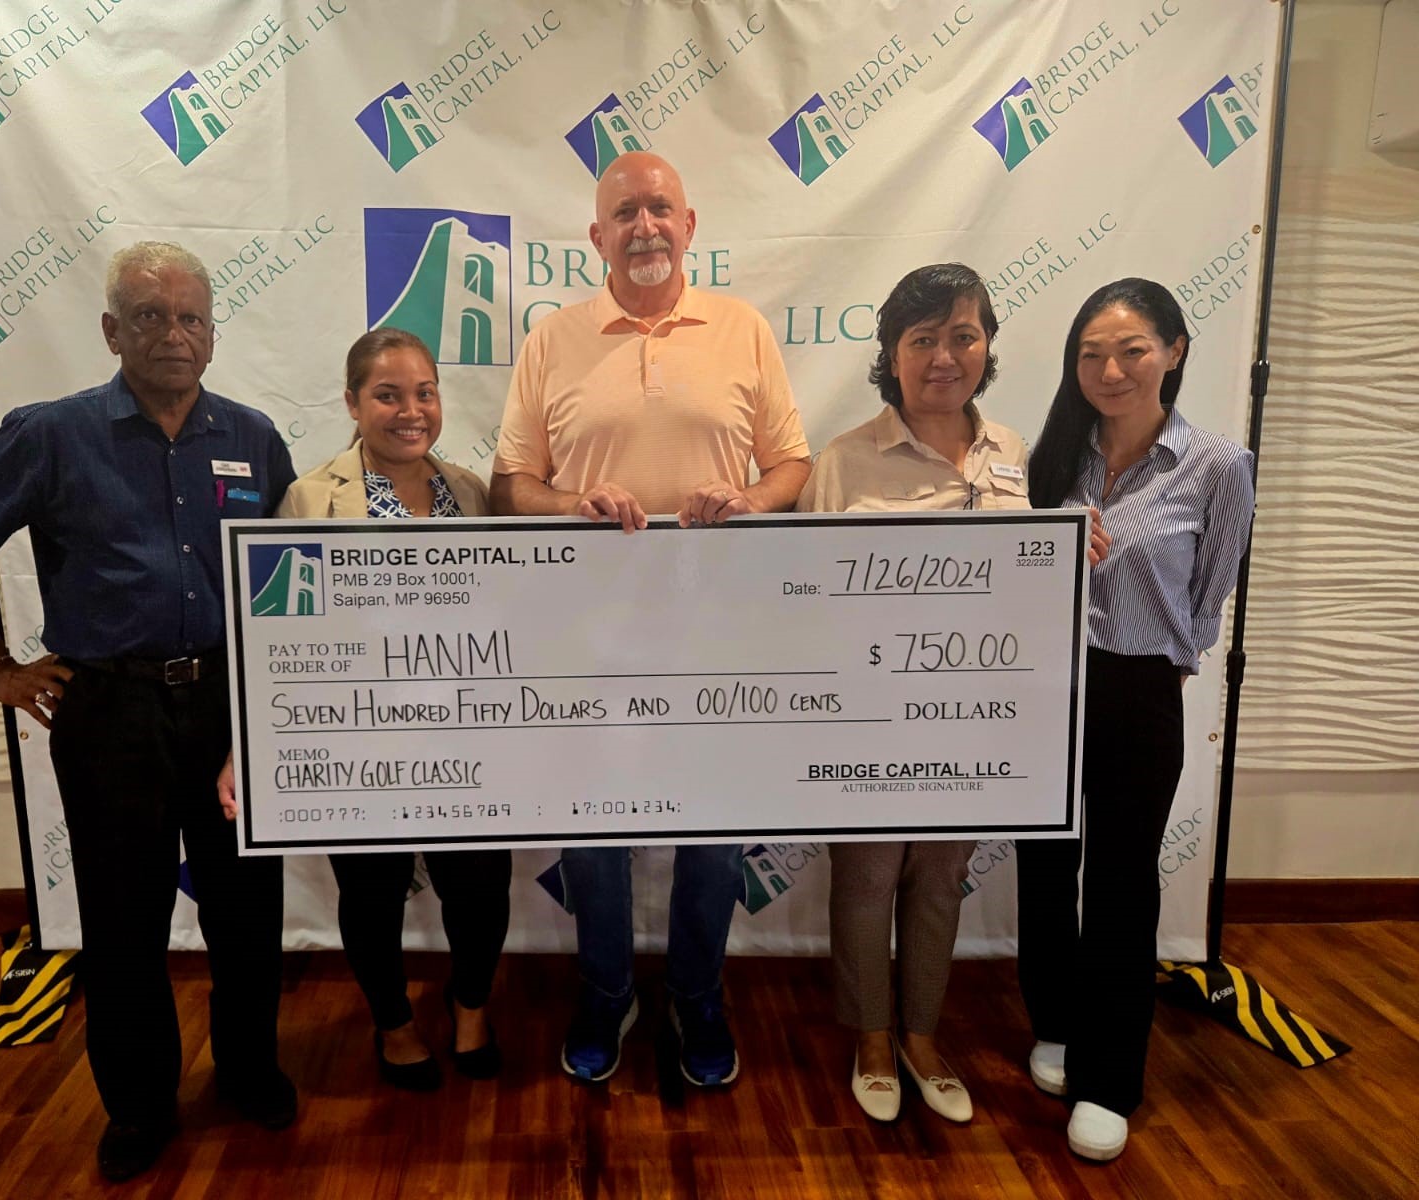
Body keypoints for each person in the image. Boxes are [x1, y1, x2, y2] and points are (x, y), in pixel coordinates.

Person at [0, 242, 298, 1183]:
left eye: (191, 317)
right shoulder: (50, 434)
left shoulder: (253, 438)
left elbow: (290, 573)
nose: (174, 334)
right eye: (150, 316)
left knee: (247, 911)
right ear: (111, 331)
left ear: (212, 332)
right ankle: (138, 1106)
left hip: (228, 707)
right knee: (124, 921)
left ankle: (249, 1071)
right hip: (109, 712)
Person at [490, 151, 812, 1087]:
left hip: (720, 637)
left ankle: (698, 998)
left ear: (689, 224)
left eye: (660, 209)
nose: (645, 227)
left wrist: (751, 500)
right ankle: (605, 994)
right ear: (597, 236)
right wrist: (573, 504)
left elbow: (791, 466)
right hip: (588, 642)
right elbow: (511, 485)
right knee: (594, 837)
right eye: (626, 212)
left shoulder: (743, 330)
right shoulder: (552, 339)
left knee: (712, 839)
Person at [218, 328, 511, 1090]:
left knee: (481, 888)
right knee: (373, 892)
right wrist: (251, 742)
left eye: (424, 393)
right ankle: (395, 1024)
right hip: (357, 740)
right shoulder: (308, 500)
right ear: (352, 403)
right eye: (388, 395)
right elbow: (276, 635)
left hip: (467, 737)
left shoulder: (471, 494)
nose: (411, 411)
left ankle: (470, 1008)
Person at [1017, 278, 1254, 1162]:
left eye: (1131, 351)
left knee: (1122, 883)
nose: (1109, 371)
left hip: (1140, 689)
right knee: (1044, 867)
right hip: (1044, 683)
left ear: (1174, 351)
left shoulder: (1217, 464)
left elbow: (1208, 598)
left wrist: (1162, 663)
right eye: (1091, 355)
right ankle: (1054, 1023)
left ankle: (1110, 1077)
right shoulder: (1050, 458)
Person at [801, 263, 1036, 1126]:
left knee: (941, 874)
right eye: (924, 338)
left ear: (987, 346)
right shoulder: (844, 460)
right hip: (868, 716)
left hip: (972, 717)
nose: (945, 356)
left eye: (963, 336)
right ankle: (872, 1037)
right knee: (867, 875)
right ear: (892, 354)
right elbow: (807, 598)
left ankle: (923, 1036)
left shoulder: (1011, 451)